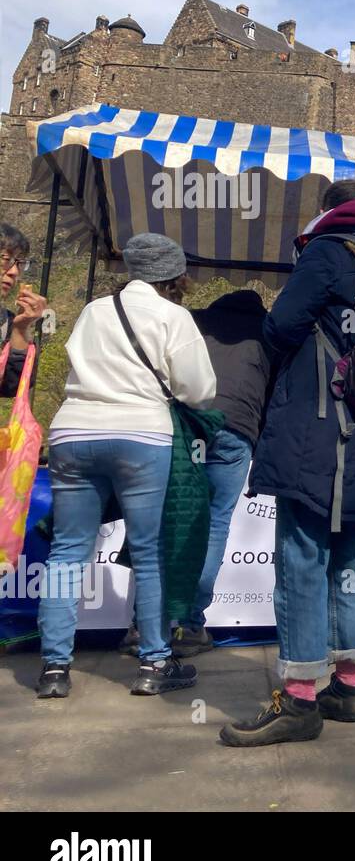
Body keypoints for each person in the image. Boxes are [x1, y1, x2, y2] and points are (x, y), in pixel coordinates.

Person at [221, 174, 355, 747]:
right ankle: (347, 686)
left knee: (301, 556)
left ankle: (300, 698)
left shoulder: (328, 252)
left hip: (317, 427)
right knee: (347, 555)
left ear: (332, 212)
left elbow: (280, 326)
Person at [36, 233, 216, 699]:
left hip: (73, 431)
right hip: (141, 435)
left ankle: (54, 668)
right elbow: (199, 391)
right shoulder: (174, 317)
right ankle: (153, 664)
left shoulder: (95, 311)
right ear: (174, 275)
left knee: (66, 553)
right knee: (150, 553)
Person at [170, 289, 275, 654]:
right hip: (236, 429)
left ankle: (147, 625)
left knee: (171, 519)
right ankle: (188, 626)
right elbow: (275, 396)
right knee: (213, 524)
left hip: (187, 425)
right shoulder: (267, 332)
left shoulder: (194, 321)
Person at [0, 223, 48, 397]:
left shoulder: (6, 320)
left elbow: (12, 386)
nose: (13, 272)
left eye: (20, 263)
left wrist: (20, 329)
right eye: (6, 259)